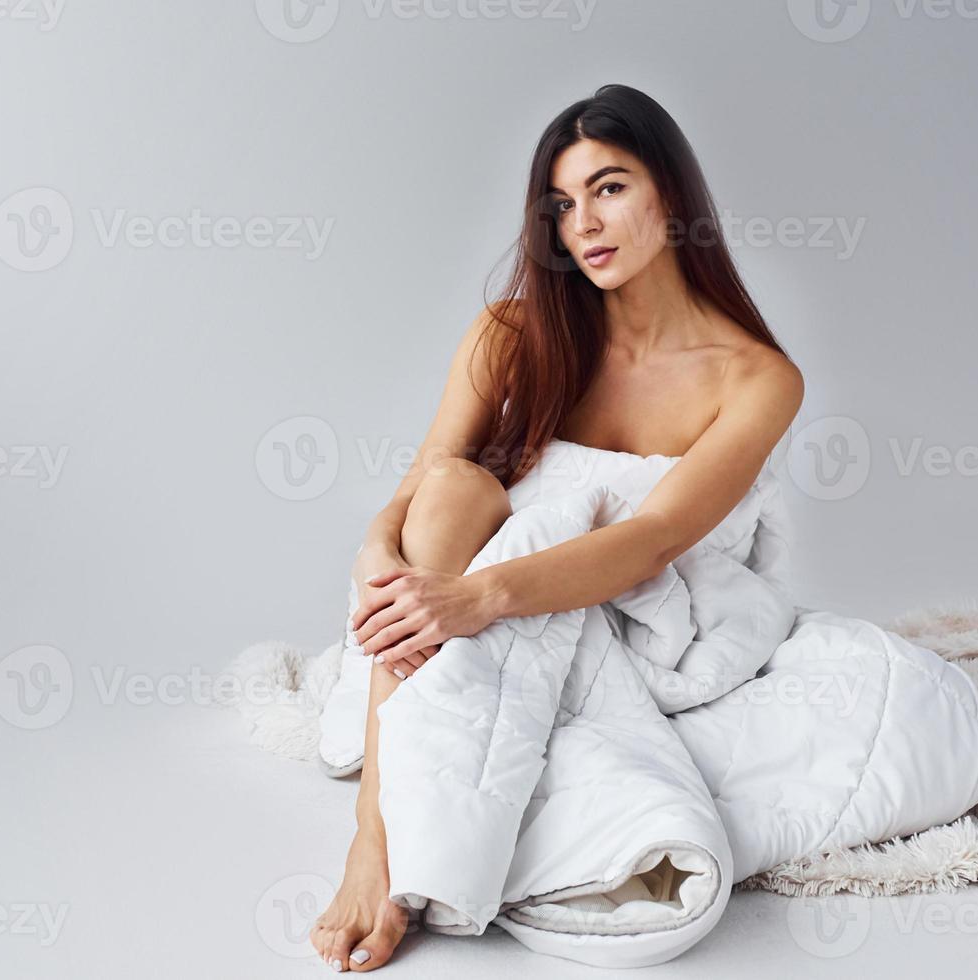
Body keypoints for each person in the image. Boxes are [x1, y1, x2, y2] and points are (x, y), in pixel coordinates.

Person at [310, 83, 803, 972]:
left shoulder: (755, 376)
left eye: (610, 188)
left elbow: (653, 542)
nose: (586, 223)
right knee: (456, 489)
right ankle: (374, 841)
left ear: (672, 195)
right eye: (563, 205)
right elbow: (426, 480)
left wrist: (476, 598)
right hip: (457, 587)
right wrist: (378, 550)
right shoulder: (511, 332)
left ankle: (420, 832)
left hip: (632, 603)